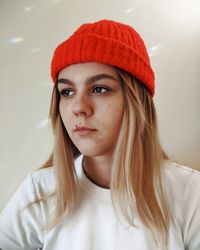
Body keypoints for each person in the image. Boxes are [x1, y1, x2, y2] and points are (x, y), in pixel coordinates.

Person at [0, 19, 200, 250]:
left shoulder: (190, 193)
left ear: (136, 101)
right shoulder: (40, 191)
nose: (78, 107)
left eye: (99, 89)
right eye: (67, 91)